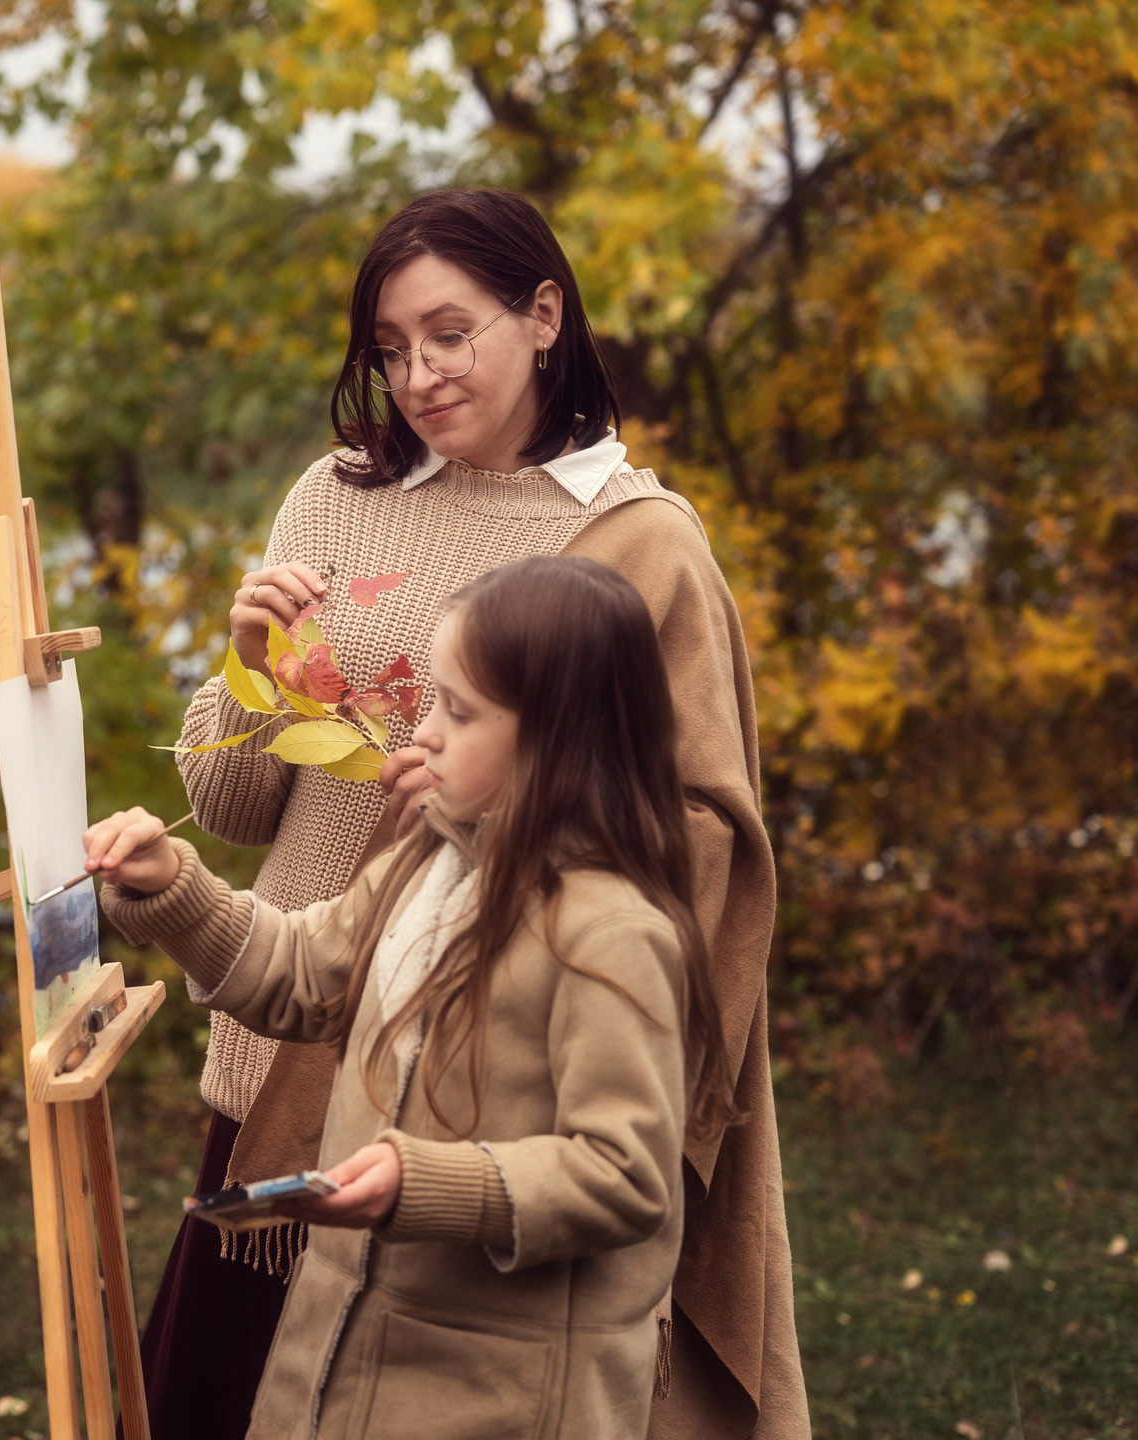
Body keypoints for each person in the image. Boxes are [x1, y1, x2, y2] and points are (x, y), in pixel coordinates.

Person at [145, 187, 805, 1440]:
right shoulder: (340, 496)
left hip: (474, 1093)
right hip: (283, 1029)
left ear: (543, 313)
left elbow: (698, 844)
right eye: (389, 349)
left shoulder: (631, 538)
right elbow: (234, 808)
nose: (418, 375)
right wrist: (240, 666)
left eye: (450, 334)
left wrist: (483, 824)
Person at [87, 556, 741, 1440]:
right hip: (341, 1362)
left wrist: (419, 1183)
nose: (420, 735)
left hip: (501, 1396)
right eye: (430, 700)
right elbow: (306, 974)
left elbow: (623, 1179)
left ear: (560, 738)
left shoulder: (612, 934)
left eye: (457, 712)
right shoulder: (429, 859)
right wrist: (174, 888)